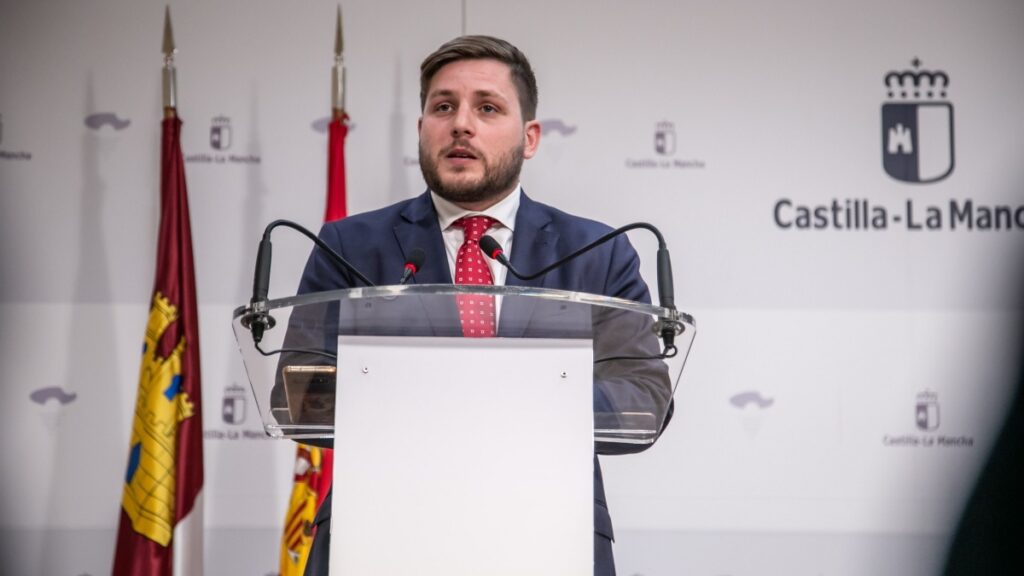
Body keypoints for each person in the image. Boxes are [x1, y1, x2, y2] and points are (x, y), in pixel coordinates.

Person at [294, 35, 674, 576]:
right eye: (442, 106)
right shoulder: (349, 247)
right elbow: (303, 390)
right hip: (380, 534)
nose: (461, 124)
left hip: (550, 535)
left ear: (530, 137)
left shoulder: (597, 252)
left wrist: (473, 393)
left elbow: (643, 400)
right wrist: (509, 394)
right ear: (421, 128)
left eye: (487, 108)